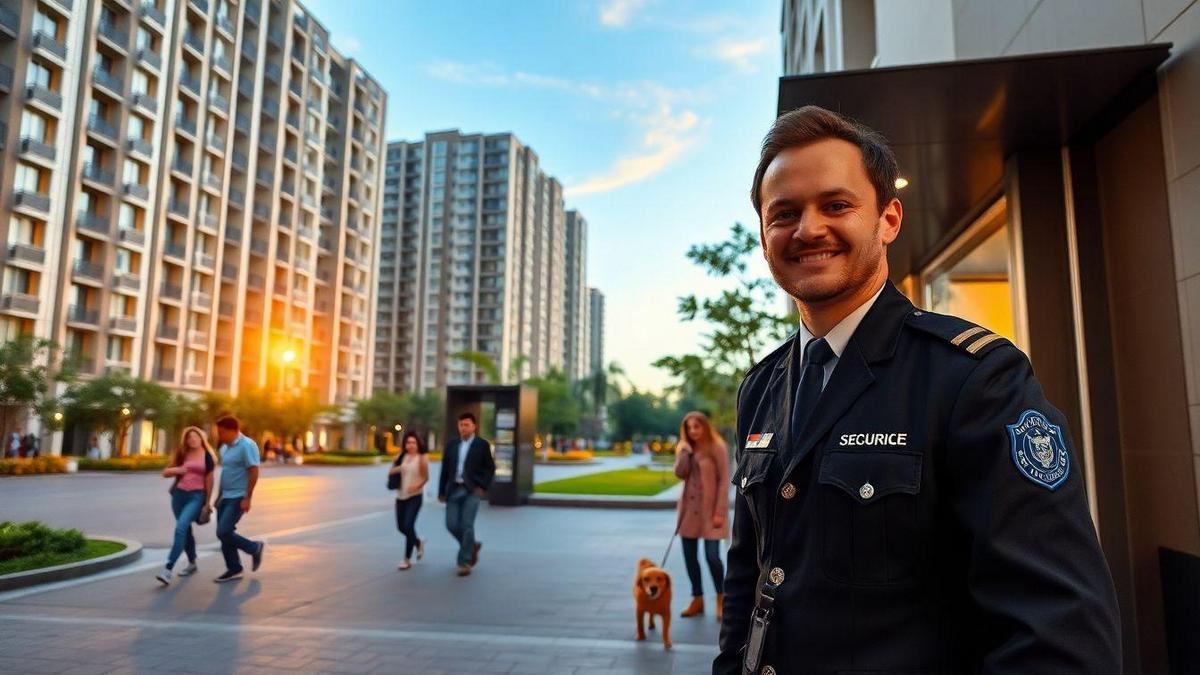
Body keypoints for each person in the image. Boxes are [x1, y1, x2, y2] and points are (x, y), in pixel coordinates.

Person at [715, 106, 1121, 674]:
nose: (807, 229)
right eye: (783, 214)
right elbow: (750, 578)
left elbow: (1060, 633)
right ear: (763, 237)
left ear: (888, 218)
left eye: (836, 205)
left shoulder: (975, 379)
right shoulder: (761, 388)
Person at [673, 411, 730, 620]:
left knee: (712, 557)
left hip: (711, 512)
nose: (693, 431)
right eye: (689, 428)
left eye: (696, 426)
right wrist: (684, 453)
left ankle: (722, 598)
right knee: (690, 557)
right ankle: (697, 599)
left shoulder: (717, 447)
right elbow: (680, 473)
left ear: (704, 426)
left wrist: (720, 512)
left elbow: (724, 481)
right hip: (689, 512)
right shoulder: (686, 447)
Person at [156, 426, 216, 586]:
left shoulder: (207, 456)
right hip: (178, 496)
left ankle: (168, 569)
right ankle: (192, 563)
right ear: (186, 440)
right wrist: (179, 469)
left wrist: (207, 503)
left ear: (201, 438)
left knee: (181, 528)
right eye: (189, 437)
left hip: (196, 497)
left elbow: (210, 481)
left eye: (195, 436)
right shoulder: (183, 454)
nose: (192, 439)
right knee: (185, 530)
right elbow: (165, 472)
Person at [437, 412, 495, 577]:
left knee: (467, 525)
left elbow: (490, 468)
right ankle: (471, 545)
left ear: (474, 426)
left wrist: (482, 486)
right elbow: (445, 470)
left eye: (467, 425)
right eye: (461, 425)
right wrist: (441, 491)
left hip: (472, 490)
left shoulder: (482, 445)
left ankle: (464, 561)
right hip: (453, 489)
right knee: (451, 524)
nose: (463, 428)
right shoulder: (452, 444)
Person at [213, 415, 265, 582]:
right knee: (224, 534)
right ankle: (234, 568)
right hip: (225, 496)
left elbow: (254, 472)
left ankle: (254, 547)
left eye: (222, 433)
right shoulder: (224, 448)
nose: (219, 436)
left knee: (223, 531)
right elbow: (225, 473)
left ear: (233, 430)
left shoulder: (247, 445)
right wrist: (218, 496)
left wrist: (247, 497)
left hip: (238, 496)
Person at [389, 430, 429, 570]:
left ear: (418, 444)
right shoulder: (401, 456)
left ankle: (407, 559)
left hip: (415, 496)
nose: (410, 445)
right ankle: (418, 542)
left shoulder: (422, 458)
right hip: (400, 496)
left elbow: (426, 478)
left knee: (408, 525)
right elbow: (391, 472)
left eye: (413, 442)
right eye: (408, 442)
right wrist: (396, 465)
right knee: (401, 527)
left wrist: (416, 486)